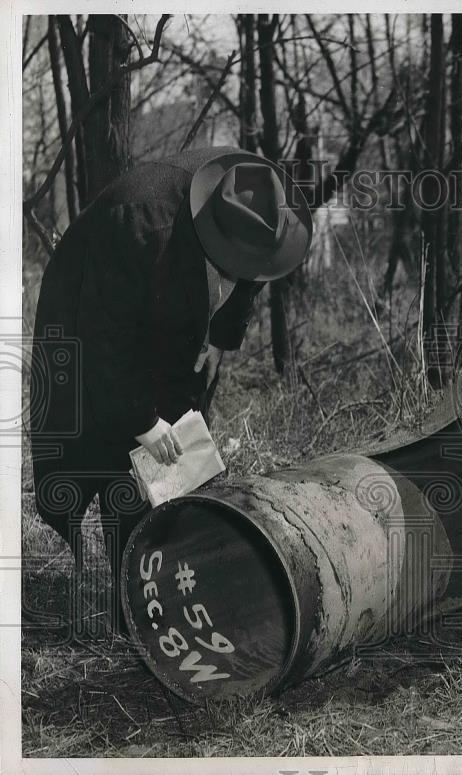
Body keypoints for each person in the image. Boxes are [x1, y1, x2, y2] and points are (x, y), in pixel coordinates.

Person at [28, 146, 313, 637]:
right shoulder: (138, 223)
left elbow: (255, 270)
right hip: (86, 311)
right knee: (109, 447)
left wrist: (221, 339)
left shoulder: (259, 199)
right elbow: (105, 339)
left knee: (176, 443)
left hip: (168, 302)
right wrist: (142, 421)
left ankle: (173, 558)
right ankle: (128, 596)